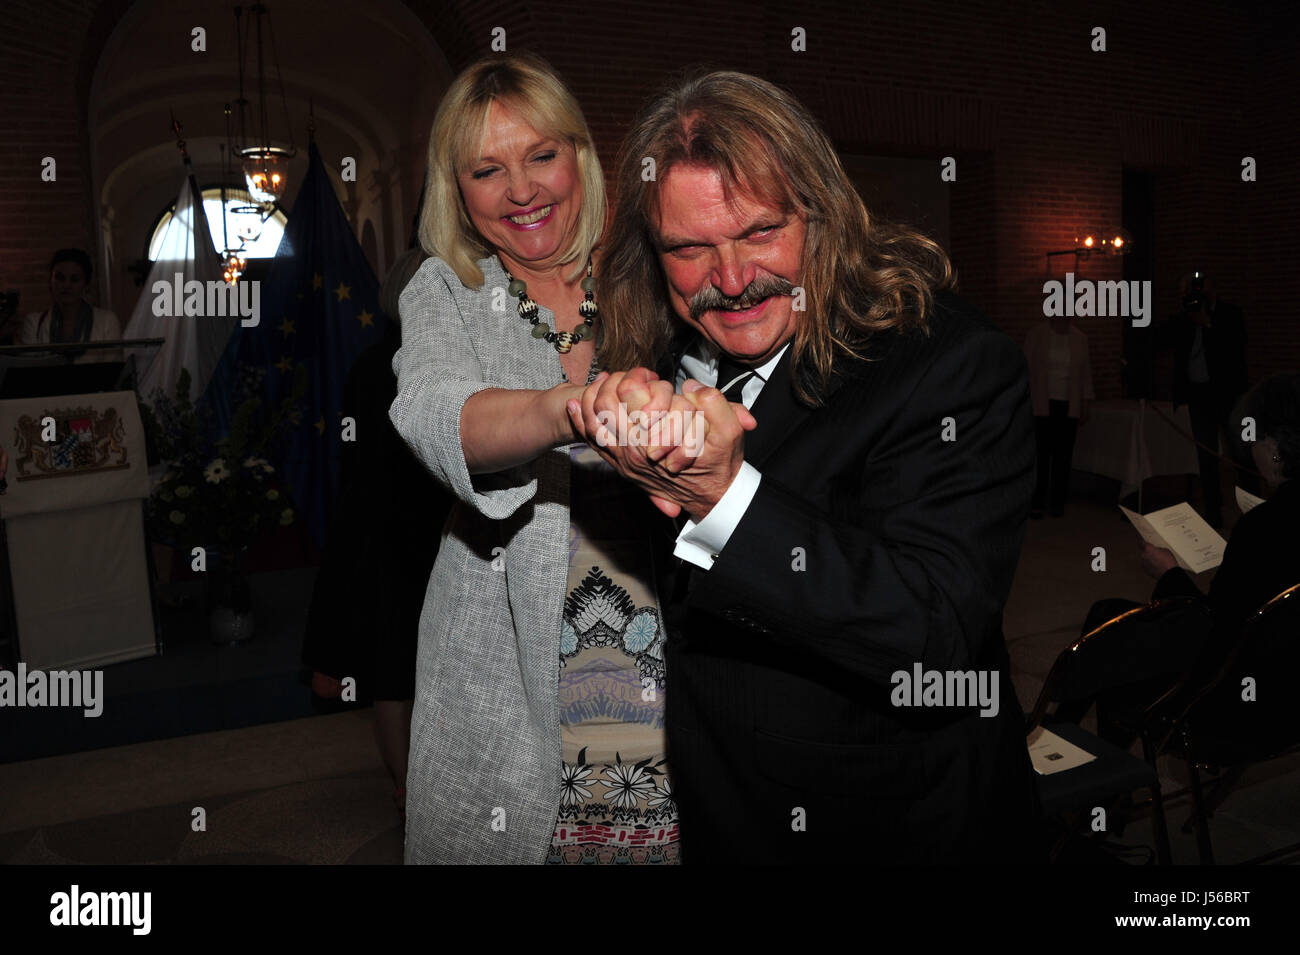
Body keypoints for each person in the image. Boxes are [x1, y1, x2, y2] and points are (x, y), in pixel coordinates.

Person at [568, 70, 1040, 863]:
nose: (732, 277)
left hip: (891, 825)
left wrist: (724, 498)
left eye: (759, 232)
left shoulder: (950, 364)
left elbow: (936, 630)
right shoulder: (668, 352)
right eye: (689, 247)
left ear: (820, 215)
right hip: (725, 805)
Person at [389, 54, 678, 864]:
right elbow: (437, 411)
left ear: (580, 155)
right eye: (488, 169)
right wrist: (569, 407)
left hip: (667, 613)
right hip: (508, 635)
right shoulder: (446, 288)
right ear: (456, 187)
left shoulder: (644, 266)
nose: (522, 190)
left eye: (541, 155)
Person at [1066, 372, 1300, 746]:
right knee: (1109, 614)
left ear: (1274, 447)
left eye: (1253, 441)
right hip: (1289, 688)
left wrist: (1169, 572)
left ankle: (1082, 757)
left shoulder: (1262, 526)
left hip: (1232, 704)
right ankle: (1066, 736)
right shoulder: (1269, 525)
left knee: (1114, 642)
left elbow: (1214, 628)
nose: (1250, 452)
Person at [303, 247, 450, 824]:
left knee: (401, 666)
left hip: (407, 529)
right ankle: (412, 791)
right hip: (409, 530)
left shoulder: (369, 362)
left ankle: (413, 787)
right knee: (396, 666)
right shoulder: (405, 365)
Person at [1156, 272, 1248, 528]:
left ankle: (1252, 512)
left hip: (1227, 396)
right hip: (1199, 398)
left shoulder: (1231, 314)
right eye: (1191, 291)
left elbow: (1234, 350)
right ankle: (1213, 513)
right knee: (1206, 457)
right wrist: (1185, 308)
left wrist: (1207, 323)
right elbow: (1161, 340)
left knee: (1240, 453)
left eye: (1200, 290)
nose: (1197, 296)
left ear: (1213, 290)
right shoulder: (1186, 317)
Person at [1024, 315, 1093, 517]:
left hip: (1068, 404)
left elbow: (1086, 373)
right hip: (1041, 402)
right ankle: (1038, 500)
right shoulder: (1036, 334)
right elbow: (1025, 368)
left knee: (1063, 456)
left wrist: (1086, 402)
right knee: (1041, 455)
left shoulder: (1080, 337)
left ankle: (1057, 502)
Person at [16, 249, 124, 363]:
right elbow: (30, 371)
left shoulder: (107, 321)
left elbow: (113, 371)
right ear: (50, 281)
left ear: (86, 284)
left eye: (74, 279)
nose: (66, 285)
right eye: (60, 278)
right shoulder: (34, 323)